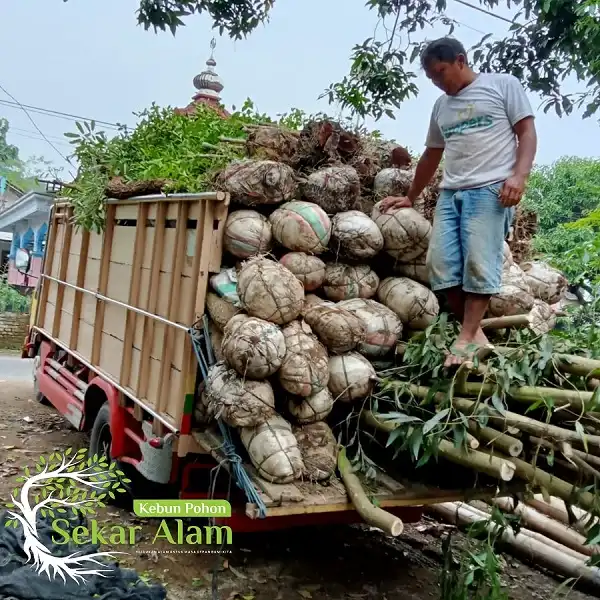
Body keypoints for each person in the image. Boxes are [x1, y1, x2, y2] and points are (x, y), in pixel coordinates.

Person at [381, 36, 537, 367]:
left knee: (479, 262)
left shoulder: (503, 85)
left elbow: (526, 132)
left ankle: (465, 337)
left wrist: (519, 177)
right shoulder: (441, 107)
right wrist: (410, 196)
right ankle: (474, 334)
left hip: (491, 189)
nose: (438, 83)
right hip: (452, 191)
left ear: (461, 61)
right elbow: (431, 154)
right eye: (432, 79)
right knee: (440, 263)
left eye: (441, 72)